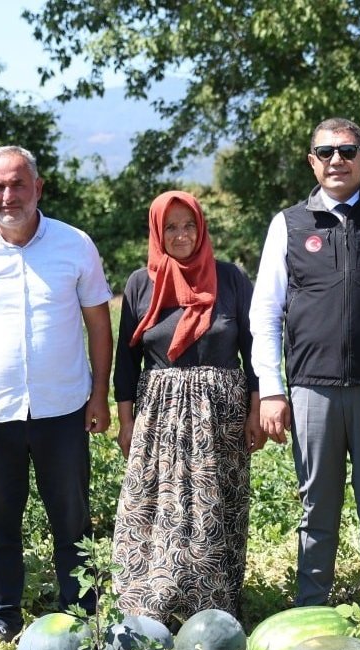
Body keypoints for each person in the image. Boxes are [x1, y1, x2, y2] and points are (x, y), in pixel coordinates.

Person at [0, 145, 114, 644]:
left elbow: (99, 323)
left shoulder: (75, 245)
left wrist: (100, 395)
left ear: (38, 187)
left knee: (73, 518)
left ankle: (80, 613)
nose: (8, 195)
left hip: (64, 407)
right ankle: (0, 616)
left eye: (18, 184)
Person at [249, 117, 360, 606]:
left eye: (348, 151)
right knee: (317, 507)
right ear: (312, 161)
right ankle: (310, 608)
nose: (337, 161)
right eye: (326, 152)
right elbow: (265, 311)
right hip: (312, 388)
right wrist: (271, 388)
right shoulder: (288, 225)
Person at [112, 191, 264, 624]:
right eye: (171, 227)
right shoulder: (142, 283)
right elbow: (127, 358)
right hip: (160, 414)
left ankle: (213, 606)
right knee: (157, 503)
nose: (181, 235)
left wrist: (256, 410)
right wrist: (126, 420)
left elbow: (254, 351)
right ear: (158, 232)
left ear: (202, 228)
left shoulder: (230, 278)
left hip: (221, 414)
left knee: (216, 507)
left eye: (189, 225)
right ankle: (152, 604)